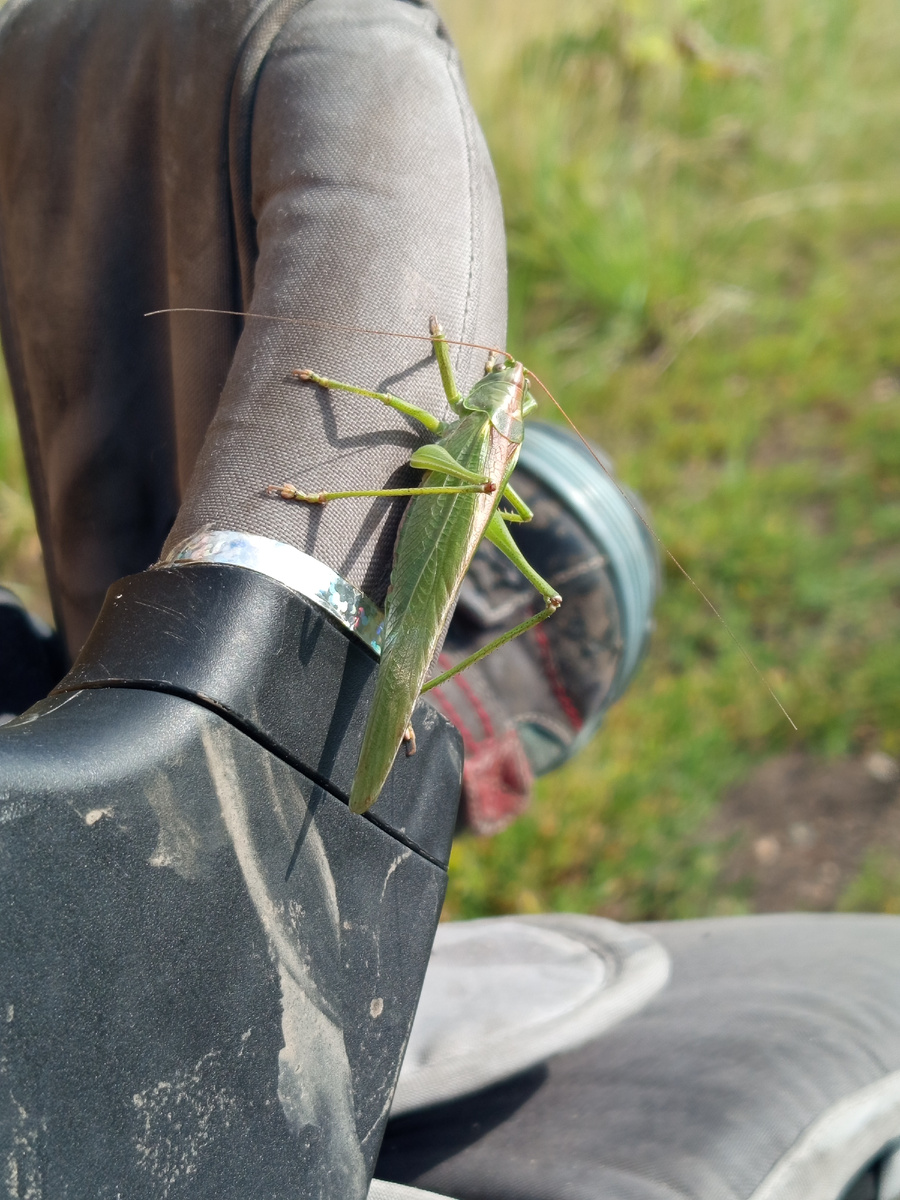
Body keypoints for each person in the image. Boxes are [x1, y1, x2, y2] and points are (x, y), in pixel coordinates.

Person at [2, 1, 900, 1198]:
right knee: (452, 502)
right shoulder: (465, 417)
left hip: (445, 504)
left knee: (473, 514)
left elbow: (440, 426)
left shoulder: (462, 429)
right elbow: (450, 412)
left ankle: (426, 680)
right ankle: (432, 702)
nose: (492, 393)